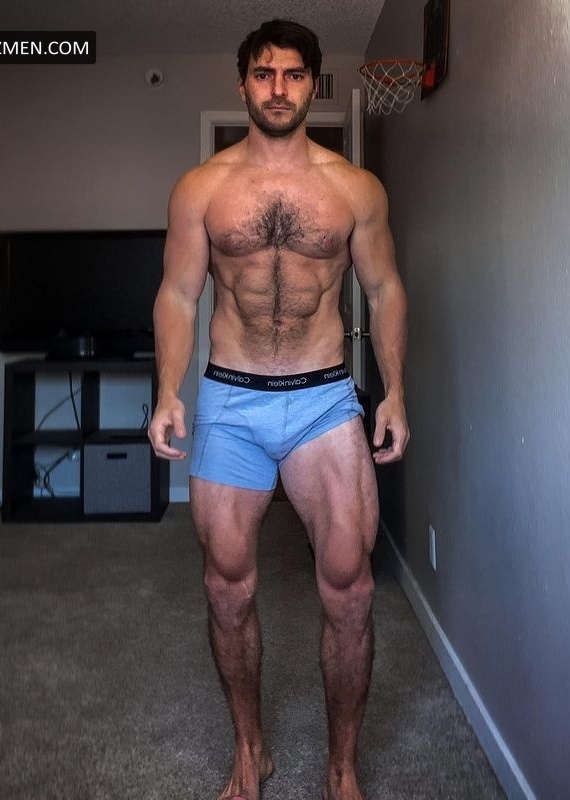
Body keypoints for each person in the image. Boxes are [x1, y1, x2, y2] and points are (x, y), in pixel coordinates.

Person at [148, 18, 409, 800]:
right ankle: (249, 749)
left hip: (323, 400)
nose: (278, 88)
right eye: (263, 74)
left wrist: (396, 390)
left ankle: (342, 767)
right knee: (227, 589)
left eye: (294, 75)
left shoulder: (354, 188)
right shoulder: (201, 188)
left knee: (351, 589)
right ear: (243, 83)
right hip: (231, 401)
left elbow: (384, 290)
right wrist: (168, 388)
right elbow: (177, 294)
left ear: (312, 84)